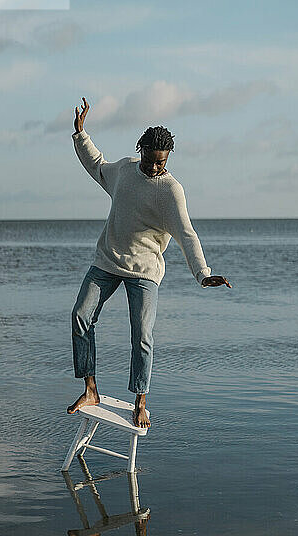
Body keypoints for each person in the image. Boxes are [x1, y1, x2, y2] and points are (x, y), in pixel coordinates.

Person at [67, 97, 231, 428]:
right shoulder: (125, 171)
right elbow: (98, 165)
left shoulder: (170, 190)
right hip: (107, 261)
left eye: (162, 162)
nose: (156, 167)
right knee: (81, 316)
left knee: (142, 335)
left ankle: (139, 400)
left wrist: (203, 274)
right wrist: (81, 134)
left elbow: (187, 235)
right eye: (151, 159)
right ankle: (91, 390)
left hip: (144, 272)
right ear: (141, 149)